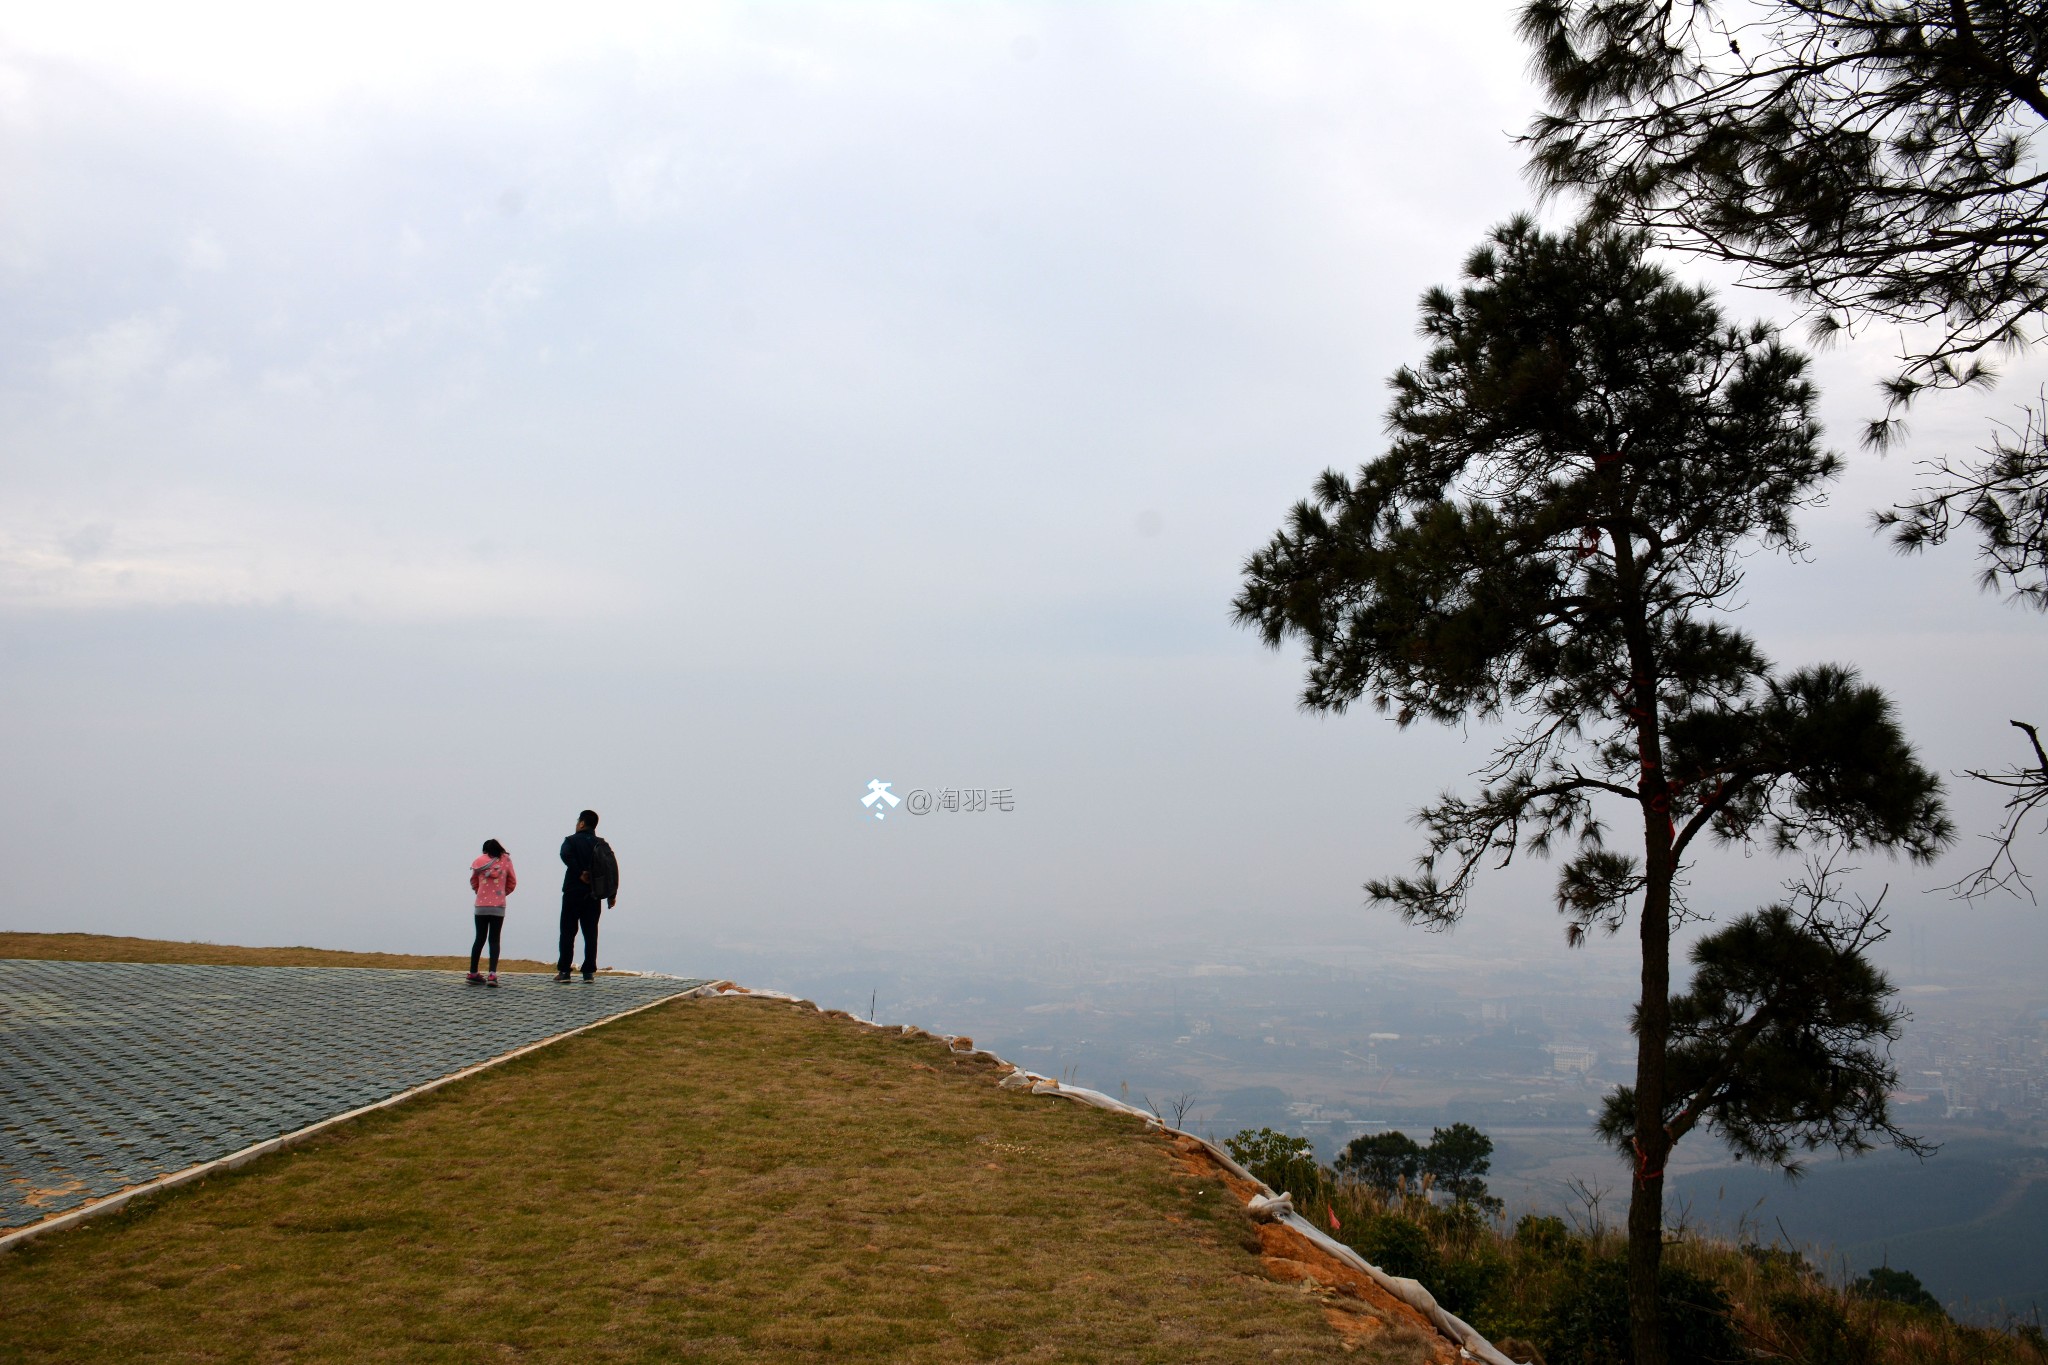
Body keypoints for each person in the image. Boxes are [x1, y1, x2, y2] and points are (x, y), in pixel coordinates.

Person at [557, 809, 616, 982]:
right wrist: (611, 894)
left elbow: (564, 854)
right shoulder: (601, 844)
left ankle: (565, 972)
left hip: (572, 892)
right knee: (590, 933)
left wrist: (579, 872)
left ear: (582, 823)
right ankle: (588, 972)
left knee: (568, 931)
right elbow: (611, 867)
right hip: (594, 894)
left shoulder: (571, 841)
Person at [467, 838, 516, 986]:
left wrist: (479, 892)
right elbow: (512, 882)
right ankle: (492, 975)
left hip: (481, 905)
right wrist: (502, 894)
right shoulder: (505, 860)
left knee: (479, 939)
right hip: (498, 906)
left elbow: (473, 880)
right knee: (494, 940)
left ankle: (473, 972)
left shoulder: (479, 861)